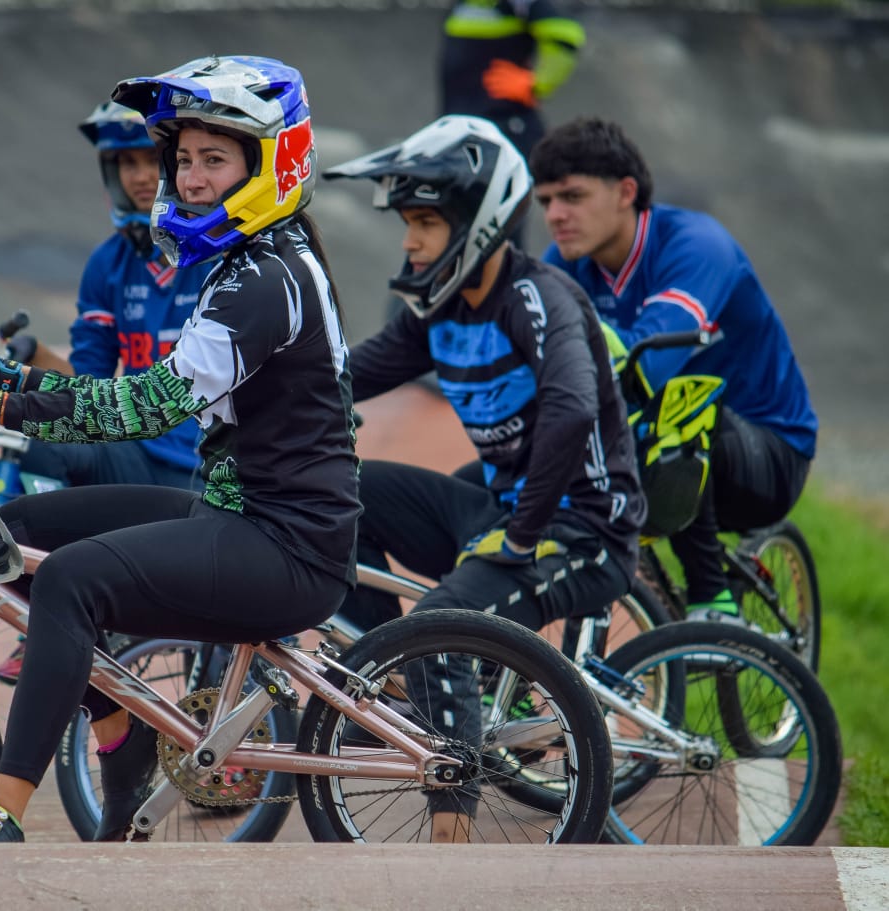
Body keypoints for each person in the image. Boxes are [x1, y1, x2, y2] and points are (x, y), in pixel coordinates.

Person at [0, 54, 359, 844]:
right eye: (182, 158)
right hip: (243, 512)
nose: (186, 178)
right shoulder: (248, 263)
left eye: (212, 159)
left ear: (270, 162)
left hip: (287, 545)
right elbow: (134, 388)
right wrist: (6, 372)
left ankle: (2, 809)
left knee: (73, 583)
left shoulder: (262, 278)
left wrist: (5, 400)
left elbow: (147, 405)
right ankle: (122, 728)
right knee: (20, 529)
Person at [325, 115, 643, 840]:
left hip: (580, 528)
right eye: (408, 222)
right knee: (344, 492)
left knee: (440, 626)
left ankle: (451, 834)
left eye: (427, 222)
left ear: (479, 220)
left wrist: (521, 536)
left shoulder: (537, 298)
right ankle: (398, 676)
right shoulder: (436, 309)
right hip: (503, 513)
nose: (410, 240)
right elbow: (342, 376)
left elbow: (568, 410)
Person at [528, 116, 817, 618]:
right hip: (664, 446)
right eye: (546, 202)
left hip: (769, 454)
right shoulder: (567, 260)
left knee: (675, 397)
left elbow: (650, 368)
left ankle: (712, 596)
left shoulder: (697, 245)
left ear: (625, 192)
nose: (555, 214)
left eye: (572, 197)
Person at [0, 102, 217, 684]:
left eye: (148, 160)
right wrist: (24, 366)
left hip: (213, 468)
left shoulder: (217, 252)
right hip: (136, 452)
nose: (138, 176)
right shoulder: (106, 265)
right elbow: (84, 387)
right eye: (123, 163)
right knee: (39, 435)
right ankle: (52, 616)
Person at [438, 0, 583, 247]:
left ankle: (507, 285)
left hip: (505, 131)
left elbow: (566, 34)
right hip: (462, 133)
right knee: (459, 230)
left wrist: (537, 84)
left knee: (499, 233)